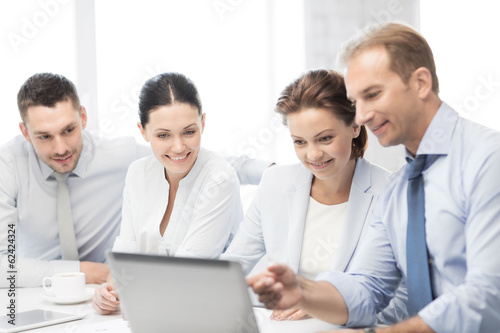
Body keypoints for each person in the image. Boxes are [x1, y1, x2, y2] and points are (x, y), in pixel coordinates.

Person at [247, 22, 500, 333]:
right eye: (357, 102)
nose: (363, 115)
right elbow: (367, 290)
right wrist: (303, 291)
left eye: (373, 95)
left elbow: (490, 292)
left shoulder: (489, 160)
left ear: (421, 82)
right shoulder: (399, 189)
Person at [221, 69, 406, 323]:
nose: (313, 154)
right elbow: (232, 269)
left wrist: (327, 304)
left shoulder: (393, 192)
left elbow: (405, 301)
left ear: (354, 126)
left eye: (325, 138)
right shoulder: (275, 183)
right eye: (299, 142)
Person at [92, 72, 244, 315]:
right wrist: (108, 291)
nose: (178, 147)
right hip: (152, 311)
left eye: (189, 132)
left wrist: (130, 288)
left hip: (209, 314)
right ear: (143, 131)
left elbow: (185, 272)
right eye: (163, 135)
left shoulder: (219, 179)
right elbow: (125, 255)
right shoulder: (138, 173)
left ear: (203, 123)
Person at [0, 73, 151, 287]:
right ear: (25, 132)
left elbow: (189, 159)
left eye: (68, 130)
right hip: (35, 294)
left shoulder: (123, 156)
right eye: (44, 136)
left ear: (83, 117)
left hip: (107, 294)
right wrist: (82, 272)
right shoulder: (7, 166)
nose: (61, 148)